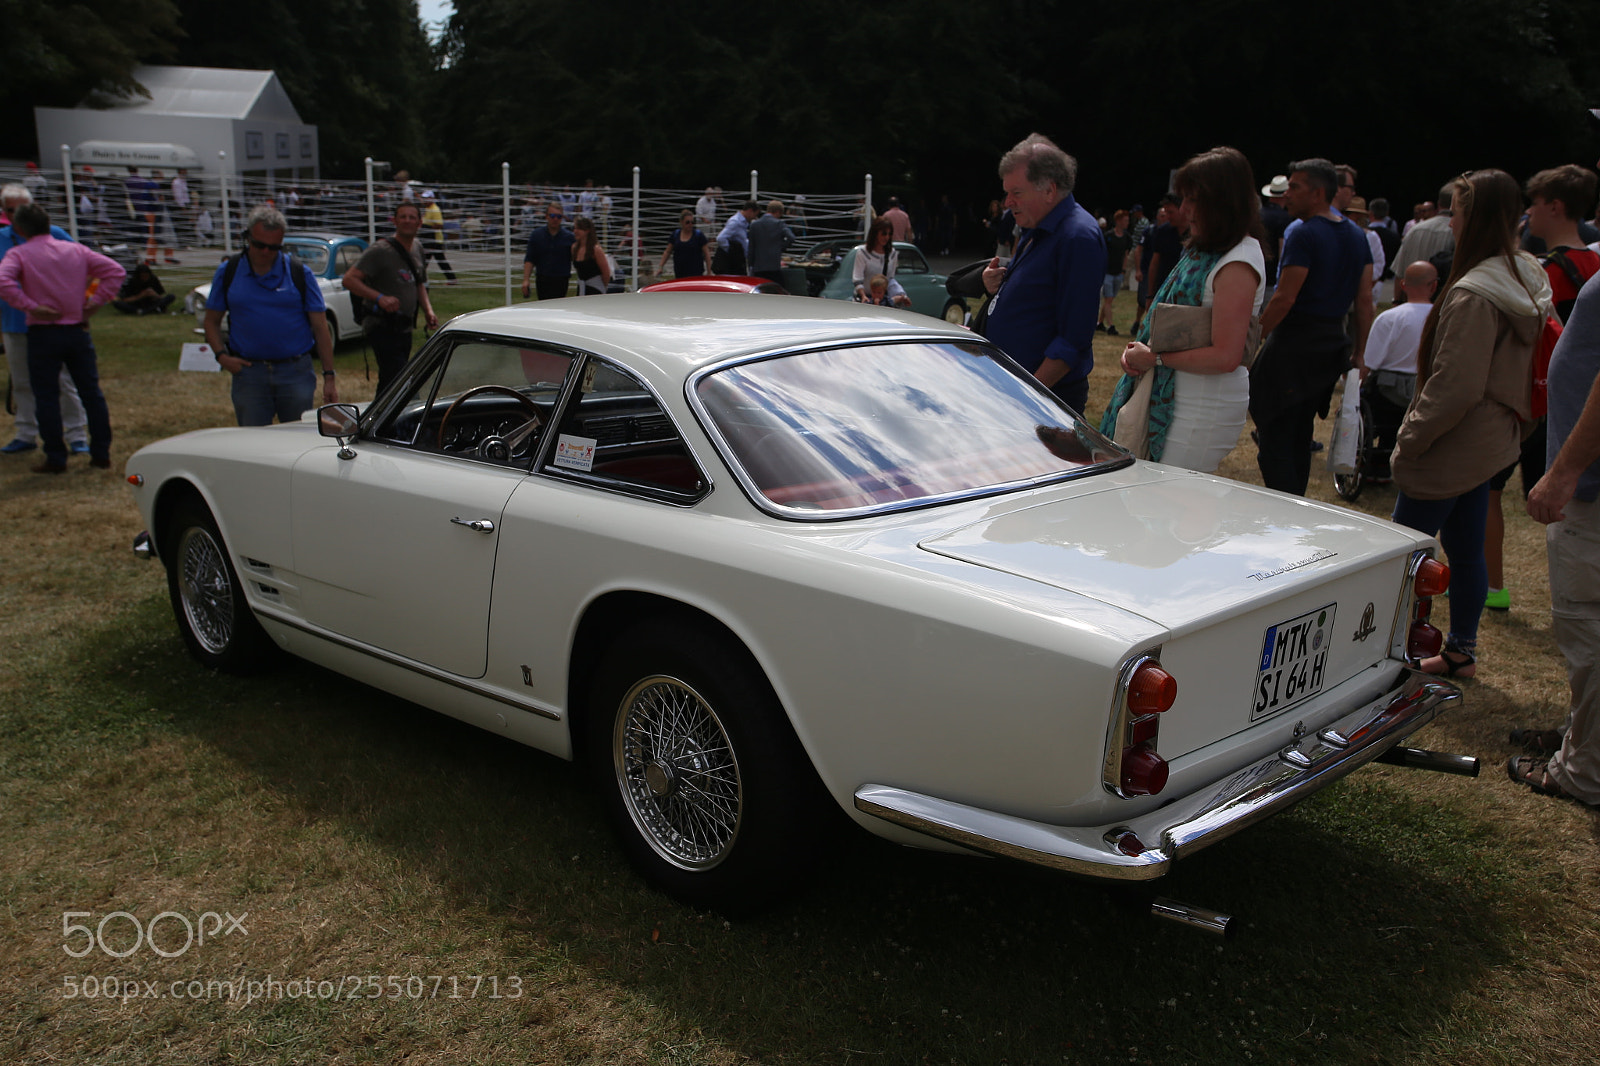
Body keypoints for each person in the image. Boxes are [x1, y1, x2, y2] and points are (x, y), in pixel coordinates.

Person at [1389, 169, 1550, 679]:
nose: (1450, 220)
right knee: (1463, 544)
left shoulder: (1475, 293)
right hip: (1491, 436)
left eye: (1456, 210)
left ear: (1473, 217)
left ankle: (1385, 654)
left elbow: (1454, 386)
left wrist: (1411, 438)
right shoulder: (1524, 275)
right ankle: (1460, 650)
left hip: (1454, 440)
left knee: (1401, 555)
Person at [1099, 146, 1266, 473]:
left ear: (1222, 202)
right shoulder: (1206, 251)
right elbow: (1170, 326)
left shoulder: (1239, 261)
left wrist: (1154, 359)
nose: (1184, 209)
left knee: (1173, 507)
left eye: (1192, 200)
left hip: (1200, 409)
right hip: (1178, 398)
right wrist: (1139, 352)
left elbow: (1227, 355)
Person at [1485, 164, 1600, 612]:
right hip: (1565, 414)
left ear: (1554, 207)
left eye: (1533, 204)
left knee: (1491, 493)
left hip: (1538, 406)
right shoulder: (1594, 260)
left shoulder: (1544, 271)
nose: (1528, 213)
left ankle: (1492, 584)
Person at [1515, 273, 1600, 806]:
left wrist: (1566, 471)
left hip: (1591, 490)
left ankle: (1582, 771)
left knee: (1588, 629)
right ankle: (1582, 737)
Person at [1249, 157, 1374, 495]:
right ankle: (1295, 504)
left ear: (1318, 193)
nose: (1287, 194)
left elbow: (1285, 298)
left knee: (1275, 434)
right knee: (1300, 434)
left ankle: (1284, 508)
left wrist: (1251, 339)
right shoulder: (1356, 234)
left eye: (1295, 187)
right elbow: (1364, 300)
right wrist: (1361, 352)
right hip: (1331, 345)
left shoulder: (1304, 234)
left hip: (1294, 346)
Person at [979, 133, 1105, 413]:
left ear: (1049, 190)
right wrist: (1000, 282)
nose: (1007, 202)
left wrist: (1028, 397)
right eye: (1007, 192)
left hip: (1042, 400)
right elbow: (1040, 288)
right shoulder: (1038, 225)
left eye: (1016, 193)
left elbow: (1073, 339)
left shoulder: (1077, 237)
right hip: (1016, 391)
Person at [0, 203, 123, 472]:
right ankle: (100, 452)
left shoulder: (19, 254)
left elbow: (4, 281)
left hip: (43, 332)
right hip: (77, 329)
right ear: (48, 224)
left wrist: (29, 305)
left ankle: (56, 456)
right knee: (91, 392)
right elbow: (115, 271)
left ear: (18, 229)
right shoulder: (76, 250)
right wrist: (94, 304)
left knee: (46, 395)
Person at [204, 205, 337, 426]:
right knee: (253, 445)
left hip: (295, 372)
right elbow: (211, 321)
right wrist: (222, 357)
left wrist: (329, 377)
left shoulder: (299, 273)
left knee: (297, 442)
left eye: (273, 247)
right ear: (247, 238)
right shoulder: (228, 271)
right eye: (259, 245)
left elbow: (321, 328)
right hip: (249, 373)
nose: (265, 252)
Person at [1, 183, 91, 456]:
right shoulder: (2, 238)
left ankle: (76, 434)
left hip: (52, 324)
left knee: (62, 381)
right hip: (15, 322)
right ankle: (26, 432)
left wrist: (81, 306)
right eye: (10, 210)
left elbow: (84, 269)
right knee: (22, 380)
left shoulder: (56, 235)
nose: (16, 216)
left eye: (21, 210)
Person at [342, 201, 437, 397]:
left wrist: (428, 310)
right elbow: (349, 280)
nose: (407, 221)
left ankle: (380, 421)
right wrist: (379, 298)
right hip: (382, 325)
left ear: (420, 223)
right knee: (400, 378)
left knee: (390, 380)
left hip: (404, 326)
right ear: (394, 221)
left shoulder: (417, 248)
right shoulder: (380, 251)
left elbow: (419, 283)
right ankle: (400, 419)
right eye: (403, 217)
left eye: (412, 217)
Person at [1359, 260, 1438, 481]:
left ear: (1403, 285)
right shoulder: (1443, 317)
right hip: (1427, 389)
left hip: (1388, 392)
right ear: (1433, 286)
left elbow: (1370, 362)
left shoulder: (1389, 318)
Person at [850, 218, 911, 308]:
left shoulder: (892, 253)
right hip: (864, 300)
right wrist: (863, 296)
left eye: (889, 234)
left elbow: (890, 279)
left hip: (882, 302)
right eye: (884, 234)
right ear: (875, 233)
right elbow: (857, 278)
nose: (886, 237)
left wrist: (902, 296)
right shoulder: (862, 252)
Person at [522, 207, 575, 300]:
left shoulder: (569, 237)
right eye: (552, 216)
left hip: (561, 279)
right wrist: (526, 280)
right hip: (543, 278)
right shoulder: (537, 235)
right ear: (546, 216)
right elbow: (530, 259)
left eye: (559, 217)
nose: (555, 219)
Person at [1098, 209, 1134, 335]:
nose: (1127, 223)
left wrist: (1123, 271)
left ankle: (1100, 323)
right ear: (1118, 221)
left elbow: (1126, 255)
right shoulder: (1108, 236)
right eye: (1125, 220)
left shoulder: (1127, 238)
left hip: (1118, 273)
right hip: (1107, 272)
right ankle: (1111, 326)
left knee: (1110, 299)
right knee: (1108, 299)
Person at [746, 200, 795, 284]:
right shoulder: (779, 224)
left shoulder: (754, 225)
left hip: (758, 266)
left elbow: (751, 247)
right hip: (774, 265)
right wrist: (781, 247)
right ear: (778, 212)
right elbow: (791, 238)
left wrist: (751, 264)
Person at [657, 209, 711, 278]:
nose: (690, 225)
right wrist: (661, 266)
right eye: (687, 222)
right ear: (681, 222)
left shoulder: (698, 235)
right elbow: (667, 252)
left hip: (696, 273)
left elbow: (707, 254)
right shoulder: (675, 235)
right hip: (680, 272)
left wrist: (709, 271)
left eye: (692, 222)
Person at [418, 191, 456, 284]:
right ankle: (452, 279)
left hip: (434, 239)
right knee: (428, 259)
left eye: (427, 198)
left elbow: (439, 225)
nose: (425, 200)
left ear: (432, 198)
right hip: (428, 238)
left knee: (431, 259)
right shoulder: (427, 209)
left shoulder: (435, 209)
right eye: (424, 198)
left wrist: (426, 227)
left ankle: (419, 278)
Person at [713, 200, 759, 275]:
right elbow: (721, 238)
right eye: (754, 214)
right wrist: (731, 252)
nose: (754, 218)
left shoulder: (743, 223)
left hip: (739, 260)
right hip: (733, 263)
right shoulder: (735, 222)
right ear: (750, 211)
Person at [111, 263, 176, 315]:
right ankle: (150, 310)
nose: (145, 278)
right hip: (136, 304)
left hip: (151, 303)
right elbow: (125, 299)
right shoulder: (133, 281)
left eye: (146, 276)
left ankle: (144, 311)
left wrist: (154, 295)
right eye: (142, 276)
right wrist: (141, 295)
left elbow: (160, 297)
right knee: (117, 303)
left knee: (171, 296)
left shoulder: (153, 279)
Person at [571, 217, 610, 295]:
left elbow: (606, 273)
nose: (575, 231)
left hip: (595, 289)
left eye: (579, 229)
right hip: (582, 288)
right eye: (575, 228)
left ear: (587, 231)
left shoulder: (596, 250)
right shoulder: (574, 248)